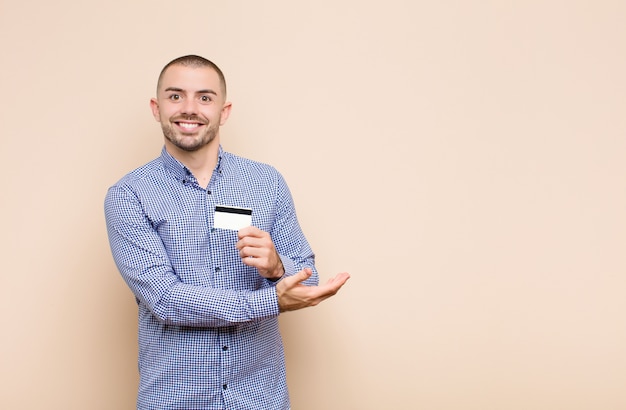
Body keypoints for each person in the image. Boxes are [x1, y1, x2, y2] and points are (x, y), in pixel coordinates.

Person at [104, 55, 350, 410]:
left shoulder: (266, 183)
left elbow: (307, 283)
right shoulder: (129, 195)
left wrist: (277, 268)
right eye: (176, 96)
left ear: (225, 110)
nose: (190, 109)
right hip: (176, 399)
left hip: (260, 398)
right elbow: (165, 299)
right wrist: (269, 300)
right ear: (156, 108)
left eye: (205, 97)